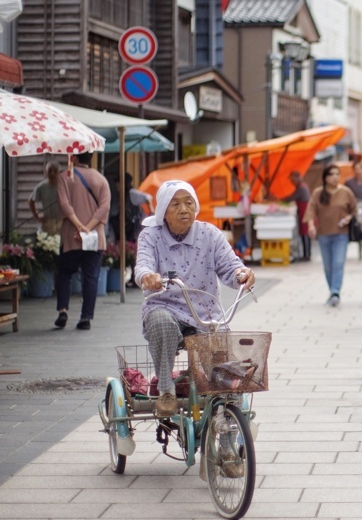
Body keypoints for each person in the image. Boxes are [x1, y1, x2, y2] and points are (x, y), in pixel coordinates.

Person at [135, 180, 255, 418]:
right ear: (163, 212)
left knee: (219, 369)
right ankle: (166, 390)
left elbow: (230, 266)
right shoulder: (151, 236)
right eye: (176, 204)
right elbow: (143, 266)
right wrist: (148, 276)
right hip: (165, 306)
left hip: (205, 312)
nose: (184, 209)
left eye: (189, 203)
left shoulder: (209, 234)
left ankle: (225, 426)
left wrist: (242, 274)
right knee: (160, 322)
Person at [55, 153, 111, 331]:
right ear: (91, 158)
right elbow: (104, 208)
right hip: (94, 237)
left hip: (71, 235)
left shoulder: (64, 177)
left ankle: (63, 310)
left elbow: (64, 205)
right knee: (91, 277)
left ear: (74, 158)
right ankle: (86, 317)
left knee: (64, 273)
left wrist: (79, 227)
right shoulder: (101, 179)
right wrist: (88, 228)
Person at [304, 164, 357, 307]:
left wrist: (348, 218)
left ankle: (335, 292)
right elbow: (311, 210)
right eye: (332, 174)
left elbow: (354, 210)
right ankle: (332, 290)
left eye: (337, 174)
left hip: (341, 234)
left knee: (338, 263)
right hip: (323, 234)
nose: (335, 177)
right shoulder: (318, 193)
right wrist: (311, 226)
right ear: (325, 177)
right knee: (328, 266)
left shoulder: (346, 192)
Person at [282, 170, 311, 262]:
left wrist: (281, 199)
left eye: (292, 180)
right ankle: (306, 254)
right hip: (303, 212)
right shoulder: (301, 187)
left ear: (298, 178)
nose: (292, 182)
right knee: (304, 233)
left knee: (305, 233)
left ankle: (307, 255)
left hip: (305, 211)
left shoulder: (301, 188)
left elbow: (291, 198)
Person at [30, 161, 62, 236]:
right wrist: (37, 217)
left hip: (62, 222)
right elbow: (31, 201)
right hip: (48, 221)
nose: (52, 173)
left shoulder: (64, 186)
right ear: (46, 172)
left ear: (59, 172)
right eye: (50, 171)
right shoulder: (41, 187)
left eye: (55, 171)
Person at [346, 160, 362, 259]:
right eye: (355, 169)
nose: (357, 171)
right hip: (353, 207)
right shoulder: (349, 182)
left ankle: (361, 250)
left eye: (359, 169)